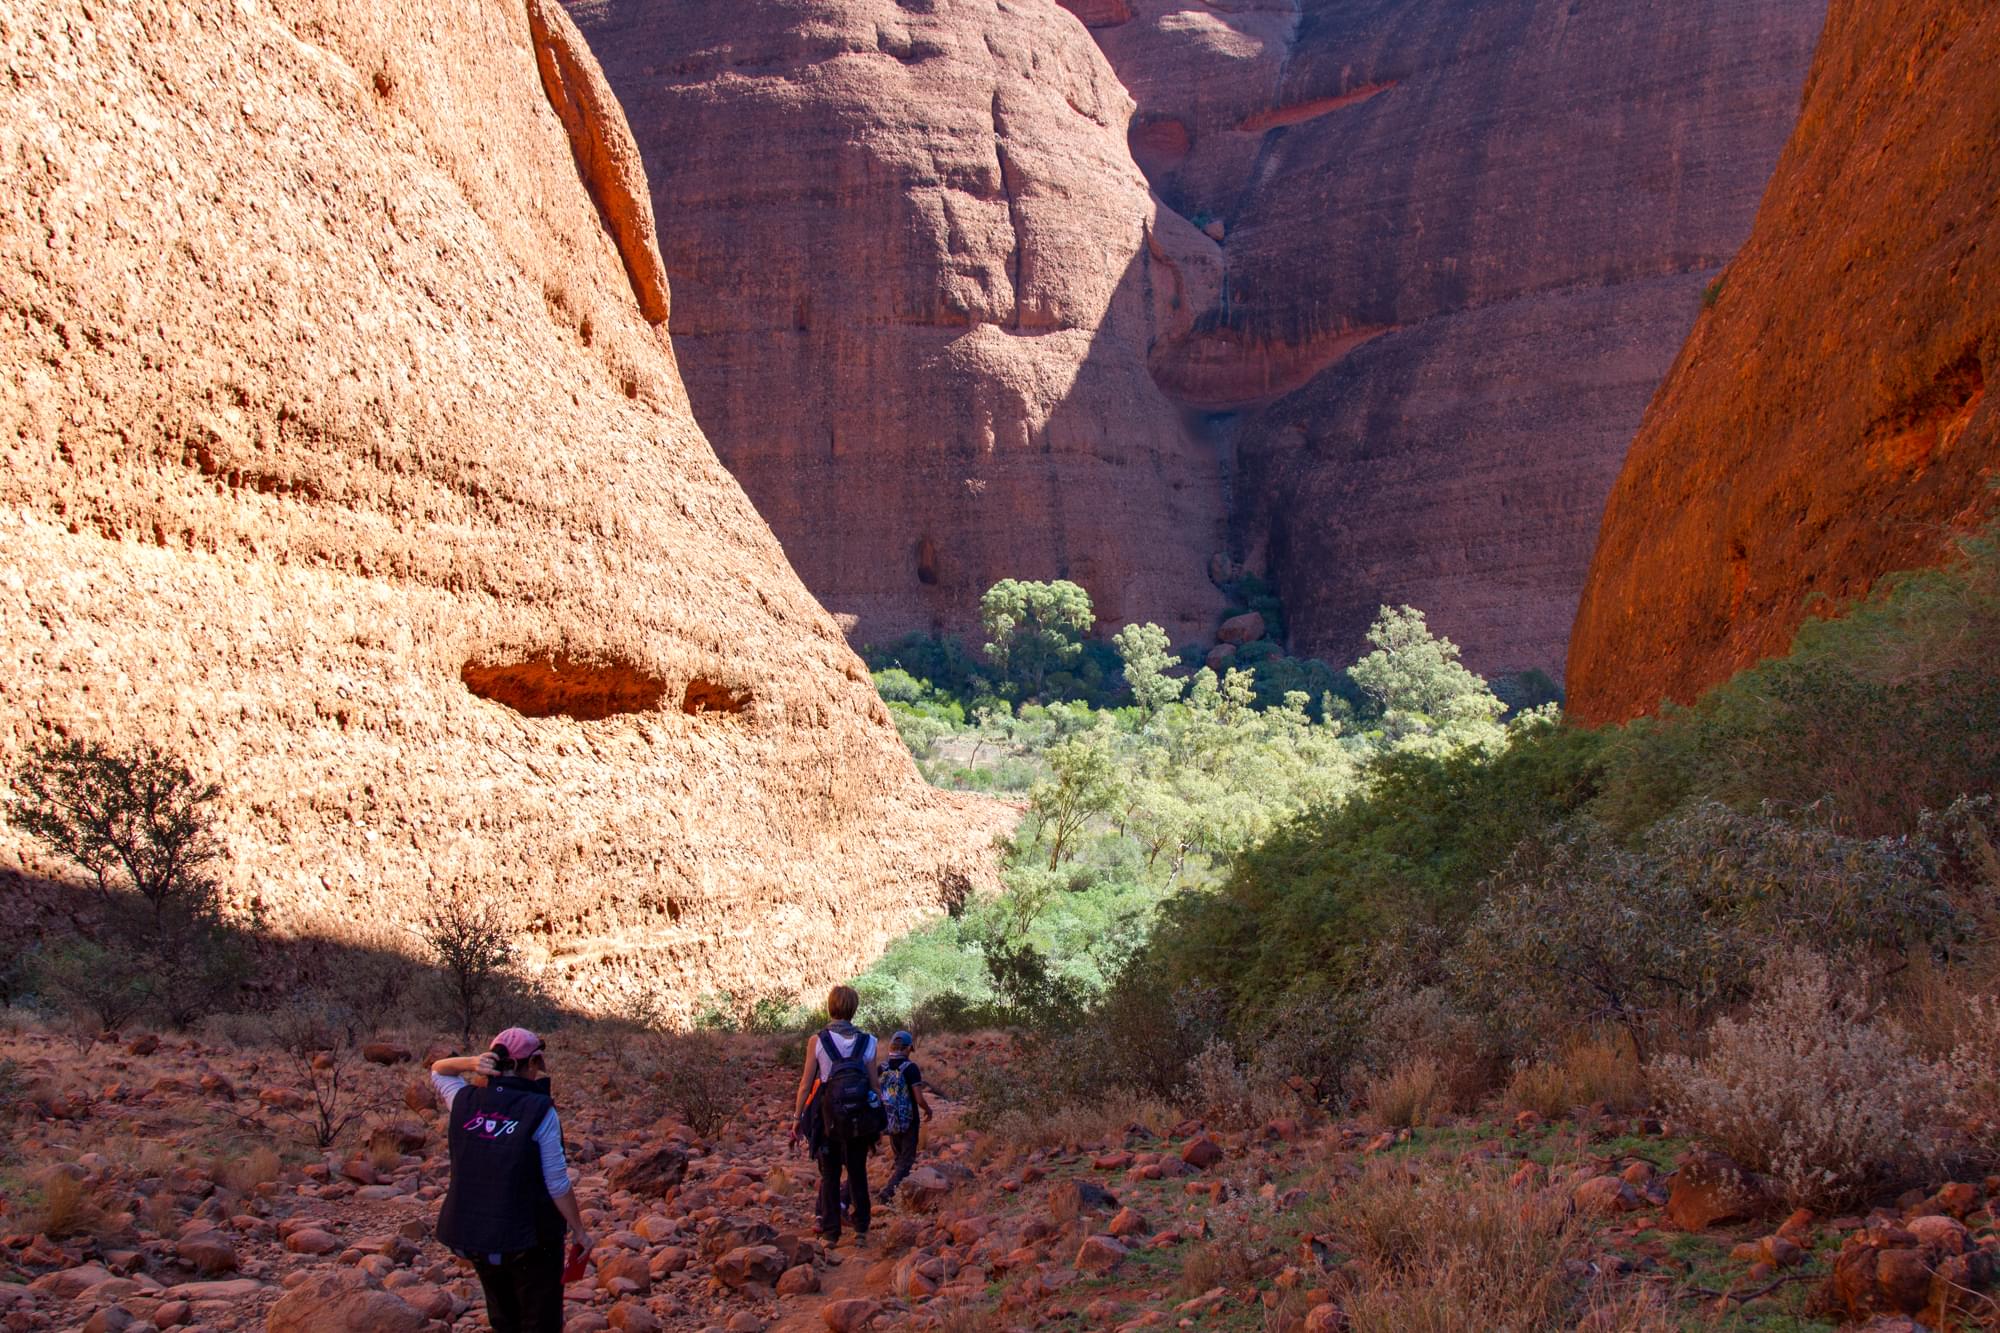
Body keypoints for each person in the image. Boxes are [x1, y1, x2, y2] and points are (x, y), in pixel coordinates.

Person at [430, 1028, 594, 1333]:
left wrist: (470, 1063)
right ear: (534, 1062)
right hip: (531, 1238)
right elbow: (556, 1183)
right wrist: (579, 1230)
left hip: (479, 1235)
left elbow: (438, 1071)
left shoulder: (464, 1100)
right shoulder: (540, 1111)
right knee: (539, 1320)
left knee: (503, 1317)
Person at [792, 985, 883, 1247]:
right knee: (857, 1171)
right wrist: (880, 1117)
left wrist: (797, 1118)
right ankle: (861, 1230)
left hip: (827, 1118)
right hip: (857, 1119)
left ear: (830, 1006)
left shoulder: (818, 1041)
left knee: (829, 1174)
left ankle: (831, 1233)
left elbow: (806, 1084)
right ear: (853, 1009)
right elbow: (874, 1085)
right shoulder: (869, 1041)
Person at [875, 1029, 934, 1205]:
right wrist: (928, 1110)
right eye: (910, 1049)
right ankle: (889, 1192)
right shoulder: (910, 1068)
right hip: (909, 1120)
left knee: (899, 1157)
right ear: (908, 1048)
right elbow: (918, 1098)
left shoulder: (882, 1067)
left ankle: (898, 1193)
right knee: (907, 1161)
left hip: (890, 1119)